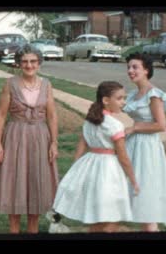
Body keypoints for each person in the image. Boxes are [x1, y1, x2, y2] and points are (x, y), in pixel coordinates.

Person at [52, 81, 139, 233]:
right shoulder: (115, 125)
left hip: (90, 164)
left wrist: (76, 168)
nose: (123, 102)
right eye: (119, 98)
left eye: (124, 98)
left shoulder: (90, 121)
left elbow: (82, 144)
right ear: (106, 100)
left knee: (99, 215)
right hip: (108, 169)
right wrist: (133, 180)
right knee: (112, 214)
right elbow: (123, 157)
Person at [0, 44, 59, 234]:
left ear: (39, 63)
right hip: (15, 136)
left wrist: (54, 142)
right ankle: (14, 230)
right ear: (19, 64)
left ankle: (33, 230)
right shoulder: (10, 84)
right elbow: (1, 115)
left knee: (37, 182)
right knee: (14, 182)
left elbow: (51, 115)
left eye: (33, 61)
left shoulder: (47, 84)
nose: (29, 65)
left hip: (40, 137)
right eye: (25, 61)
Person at [123, 53, 166, 232]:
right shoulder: (134, 94)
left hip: (147, 148)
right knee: (130, 195)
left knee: (146, 199)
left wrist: (135, 128)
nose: (130, 71)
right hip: (133, 146)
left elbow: (161, 125)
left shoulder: (154, 95)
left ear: (146, 70)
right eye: (129, 67)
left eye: (135, 67)